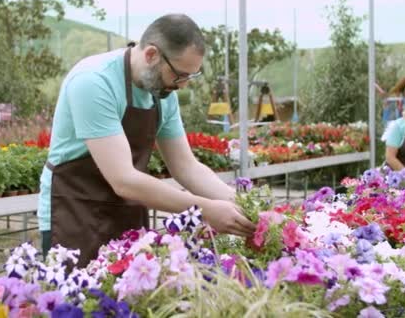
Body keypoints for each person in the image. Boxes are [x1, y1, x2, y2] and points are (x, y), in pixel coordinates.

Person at [38, 13, 255, 266]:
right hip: (74, 212)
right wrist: (205, 210)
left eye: (190, 76)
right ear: (152, 55)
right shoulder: (94, 81)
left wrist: (246, 207)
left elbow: (187, 167)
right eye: (180, 74)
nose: (183, 85)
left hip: (127, 212)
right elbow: (124, 180)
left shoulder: (161, 93)